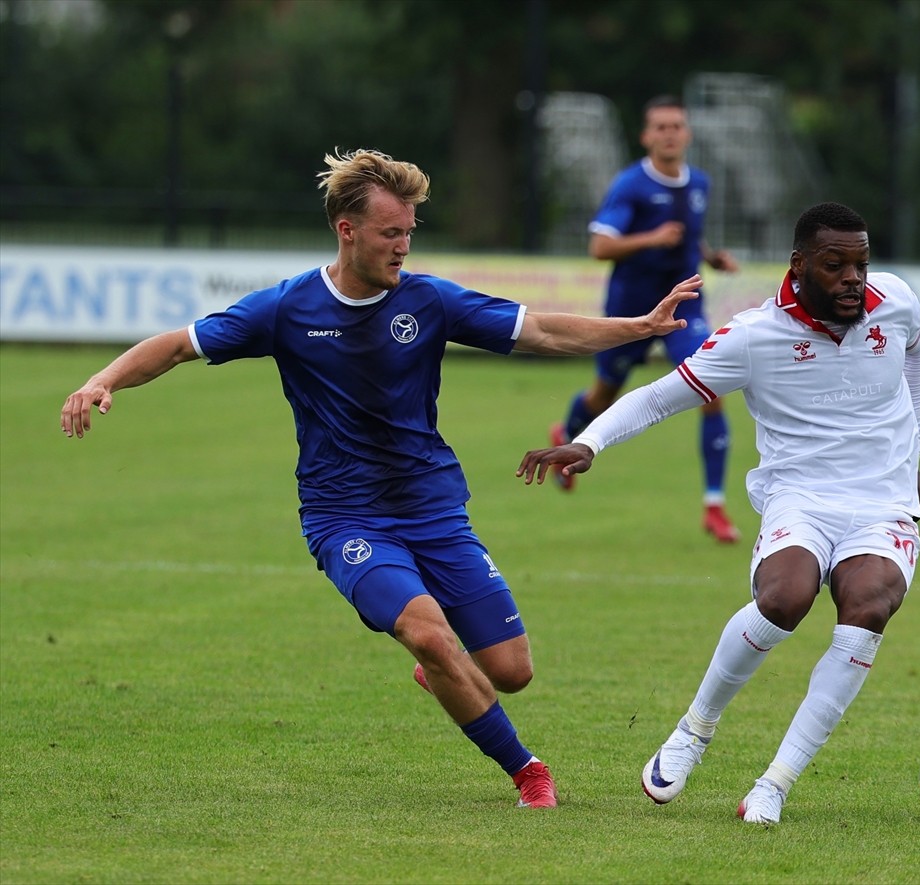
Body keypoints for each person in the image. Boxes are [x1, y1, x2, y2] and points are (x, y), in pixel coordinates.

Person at [60, 148, 702, 811]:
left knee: (511, 672)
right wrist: (101, 379)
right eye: (390, 233)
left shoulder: (428, 300)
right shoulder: (287, 308)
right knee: (427, 632)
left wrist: (641, 327)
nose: (403, 246)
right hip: (346, 519)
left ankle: (446, 673)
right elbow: (177, 344)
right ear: (347, 230)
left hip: (433, 507)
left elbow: (538, 330)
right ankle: (527, 770)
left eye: (409, 233)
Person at [518, 202, 920, 825]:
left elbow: (917, 354)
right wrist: (588, 442)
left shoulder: (895, 301)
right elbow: (660, 398)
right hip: (801, 497)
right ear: (800, 265)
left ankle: (775, 783)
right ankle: (694, 728)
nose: (854, 278)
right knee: (784, 599)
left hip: (883, 503)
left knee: (867, 606)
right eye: (836, 264)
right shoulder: (754, 337)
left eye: (861, 264)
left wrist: (914, 451)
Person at [549, 94, 742, 543]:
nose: (670, 134)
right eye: (661, 127)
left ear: (687, 133)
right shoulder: (630, 185)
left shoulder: (700, 184)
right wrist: (650, 238)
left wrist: (711, 258)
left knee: (710, 389)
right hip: (631, 312)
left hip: (683, 308)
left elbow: (691, 236)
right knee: (603, 396)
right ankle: (567, 433)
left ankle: (713, 505)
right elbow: (600, 247)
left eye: (676, 126)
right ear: (646, 136)